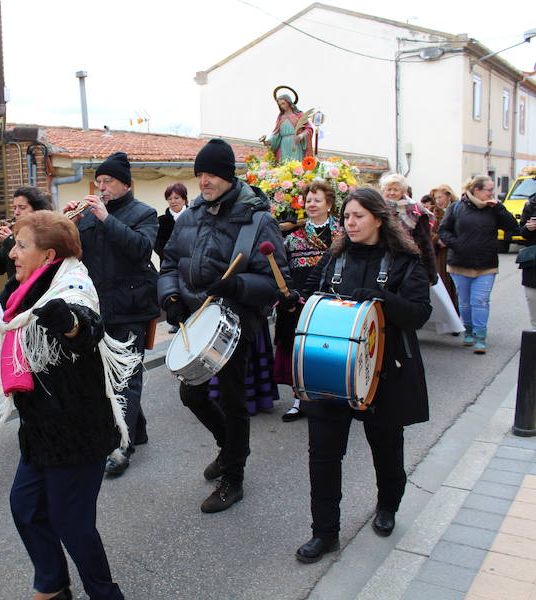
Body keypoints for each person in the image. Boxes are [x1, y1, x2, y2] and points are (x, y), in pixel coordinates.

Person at [0, 211, 138, 600]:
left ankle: (106, 594)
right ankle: (53, 584)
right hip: (40, 427)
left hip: (77, 428)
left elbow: (86, 324)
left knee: (72, 523)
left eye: (22, 246)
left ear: (49, 253)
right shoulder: (24, 285)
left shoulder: (72, 282)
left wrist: (69, 323)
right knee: (26, 507)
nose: (13, 254)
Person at [292, 187, 431, 563]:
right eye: (346, 217)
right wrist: (296, 299)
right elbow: (312, 296)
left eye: (358, 217)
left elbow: (419, 313)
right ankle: (324, 533)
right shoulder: (334, 258)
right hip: (332, 369)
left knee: (386, 447)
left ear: (378, 218)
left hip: (382, 373)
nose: (349, 224)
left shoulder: (404, 260)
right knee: (322, 455)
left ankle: (388, 505)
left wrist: (384, 299)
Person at [158, 138, 289, 513]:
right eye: (200, 174)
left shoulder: (256, 220)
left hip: (235, 322)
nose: (204, 180)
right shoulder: (192, 214)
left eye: (212, 173)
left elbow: (278, 283)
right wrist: (170, 298)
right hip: (197, 321)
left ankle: (234, 477)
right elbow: (169, 263)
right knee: (192, 395)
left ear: (229, 175)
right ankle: (231, 447)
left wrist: (236, 284)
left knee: (233, 401)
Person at [62, 152, 159, 477]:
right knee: (106, 376)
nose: (101, 187)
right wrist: (69, 227)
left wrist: (106, 217)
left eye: (108, 182)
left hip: (132, 307)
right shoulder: (88, 216)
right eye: (99, 182)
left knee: (126, 376)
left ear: (126, 184)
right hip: (98, 308)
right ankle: (138, 428)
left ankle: (122, 445)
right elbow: (73, 256)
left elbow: (141, 249)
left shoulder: (145, 213)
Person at [276, 180, 341, 422]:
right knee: (299, 348)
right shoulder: (293, 236)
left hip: (331, 298)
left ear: (330, 204)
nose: (311, 204)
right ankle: (298, 399)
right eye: (308, 200)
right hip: (301, 297)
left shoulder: (341, 233)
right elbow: (284, 267)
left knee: (327, 348)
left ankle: (331, 395)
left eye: (317, 200)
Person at [438, 175, 519, 353]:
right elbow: (443, 230)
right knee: (465, 302)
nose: (492, 193)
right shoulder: (457, 207)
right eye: (489, 189)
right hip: (460, 263)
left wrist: (499, 208)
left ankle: (480, 337)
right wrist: (457, 244)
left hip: (486, 264)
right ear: (477, 190)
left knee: (480, 301)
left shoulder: (493, 209)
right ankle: (469, 331)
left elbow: (512, 226)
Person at [0, 186, 53, 279]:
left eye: (22, 208)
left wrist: (10, 241)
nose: (16, 212)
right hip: (16, 290)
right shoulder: (17, 232)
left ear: (37, 210)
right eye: (14, 208)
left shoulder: (48, 232)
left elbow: (34, 263)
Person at [379, 173, 437, 284]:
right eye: (389, 189)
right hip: (381, 258)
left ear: (403, 191)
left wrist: (430, 273)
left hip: (407, 259)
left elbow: (425, 244)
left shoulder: (416, 210)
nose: (392, 193)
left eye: (396, 189)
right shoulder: (377, 208)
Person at [429, 184, 460, 312]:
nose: (438, 201)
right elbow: (425, 232)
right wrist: (437, 239)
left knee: (456, 286)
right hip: (439, 254)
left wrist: (449, 240)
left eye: (440, 197)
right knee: (443, 284)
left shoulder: (458, 210)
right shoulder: (432, 213)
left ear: (448, 196)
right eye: (436, 198)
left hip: (456, 252)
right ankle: (447, 314)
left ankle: (457, 314)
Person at [265, 94, 313, 163]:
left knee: (295, 164)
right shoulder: (281, 117)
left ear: (288, 102)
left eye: (283, 103)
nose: (282, 106)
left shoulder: (299, 115)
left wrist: (301, 135)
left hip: (295, 143)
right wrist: (269, 141)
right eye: (280, 105)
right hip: (283, 144)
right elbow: (277, 134)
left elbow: (308, 128)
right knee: (284, 164)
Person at [155, 182, 188, 262]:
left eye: (177, 198)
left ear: (184, 199)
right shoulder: (160, 221)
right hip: (168, 265)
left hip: (191, 266)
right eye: (169, 199)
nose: (173, 201)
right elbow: (157, 246)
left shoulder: (195, 218)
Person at [520, 197, 536, 329]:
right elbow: (522, 232)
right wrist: (528, 228)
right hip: (533, 263)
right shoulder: (531, 204)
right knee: (533, 299)